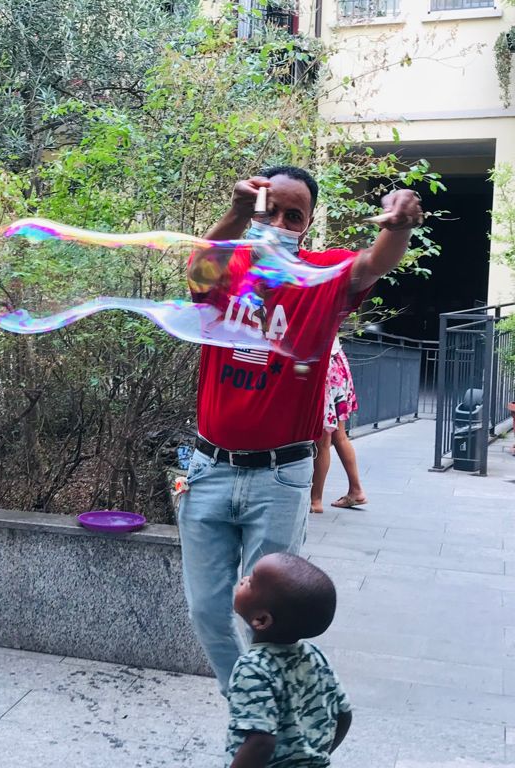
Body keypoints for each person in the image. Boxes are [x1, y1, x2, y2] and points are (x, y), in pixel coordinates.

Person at [179, 165, 423, 693]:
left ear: (307, 224)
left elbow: (374, 262)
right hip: (207, 470)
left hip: (280, 477)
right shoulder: (229, 269)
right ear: (253, 207)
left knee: (269, 619)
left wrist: (400, 224)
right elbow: (197, 271)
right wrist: (237, 213)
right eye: (271, 210)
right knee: (206, 610)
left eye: (294, 216)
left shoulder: (322, 275)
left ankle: (262, 714)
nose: (281, 223)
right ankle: (249, 707)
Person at [226, 552, 351, 768]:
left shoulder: (252, 668)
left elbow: (261, 742)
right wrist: (320, 754)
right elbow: (344, 714)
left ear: (261, 620)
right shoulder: (315, 654)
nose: (244, 579)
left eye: (251, 582)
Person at [310, 337, 366, 514]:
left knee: (323, 440)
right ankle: (356, 490)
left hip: (324, 365)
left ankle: (315, 500)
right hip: (337, 363)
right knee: (338, 436)